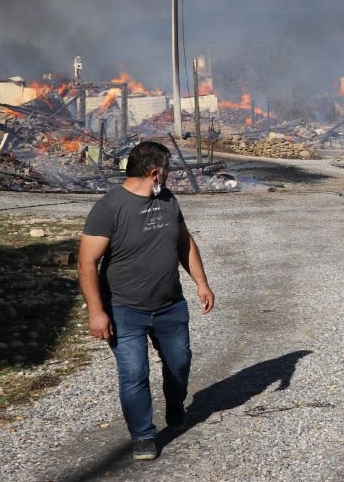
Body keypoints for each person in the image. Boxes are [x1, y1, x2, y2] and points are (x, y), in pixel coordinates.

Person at [77, 141, 215, 461]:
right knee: (134, 373)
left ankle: (175, 400)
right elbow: (86, 263)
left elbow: (185, 243)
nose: (168, 177)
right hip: (125, 310)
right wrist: (97, 313)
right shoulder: (108, 209)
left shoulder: (168, 200)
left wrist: (202, 283)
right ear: (154, 172)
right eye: (166, 171)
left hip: (170, 306)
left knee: (179, 364)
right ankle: (143, 435)